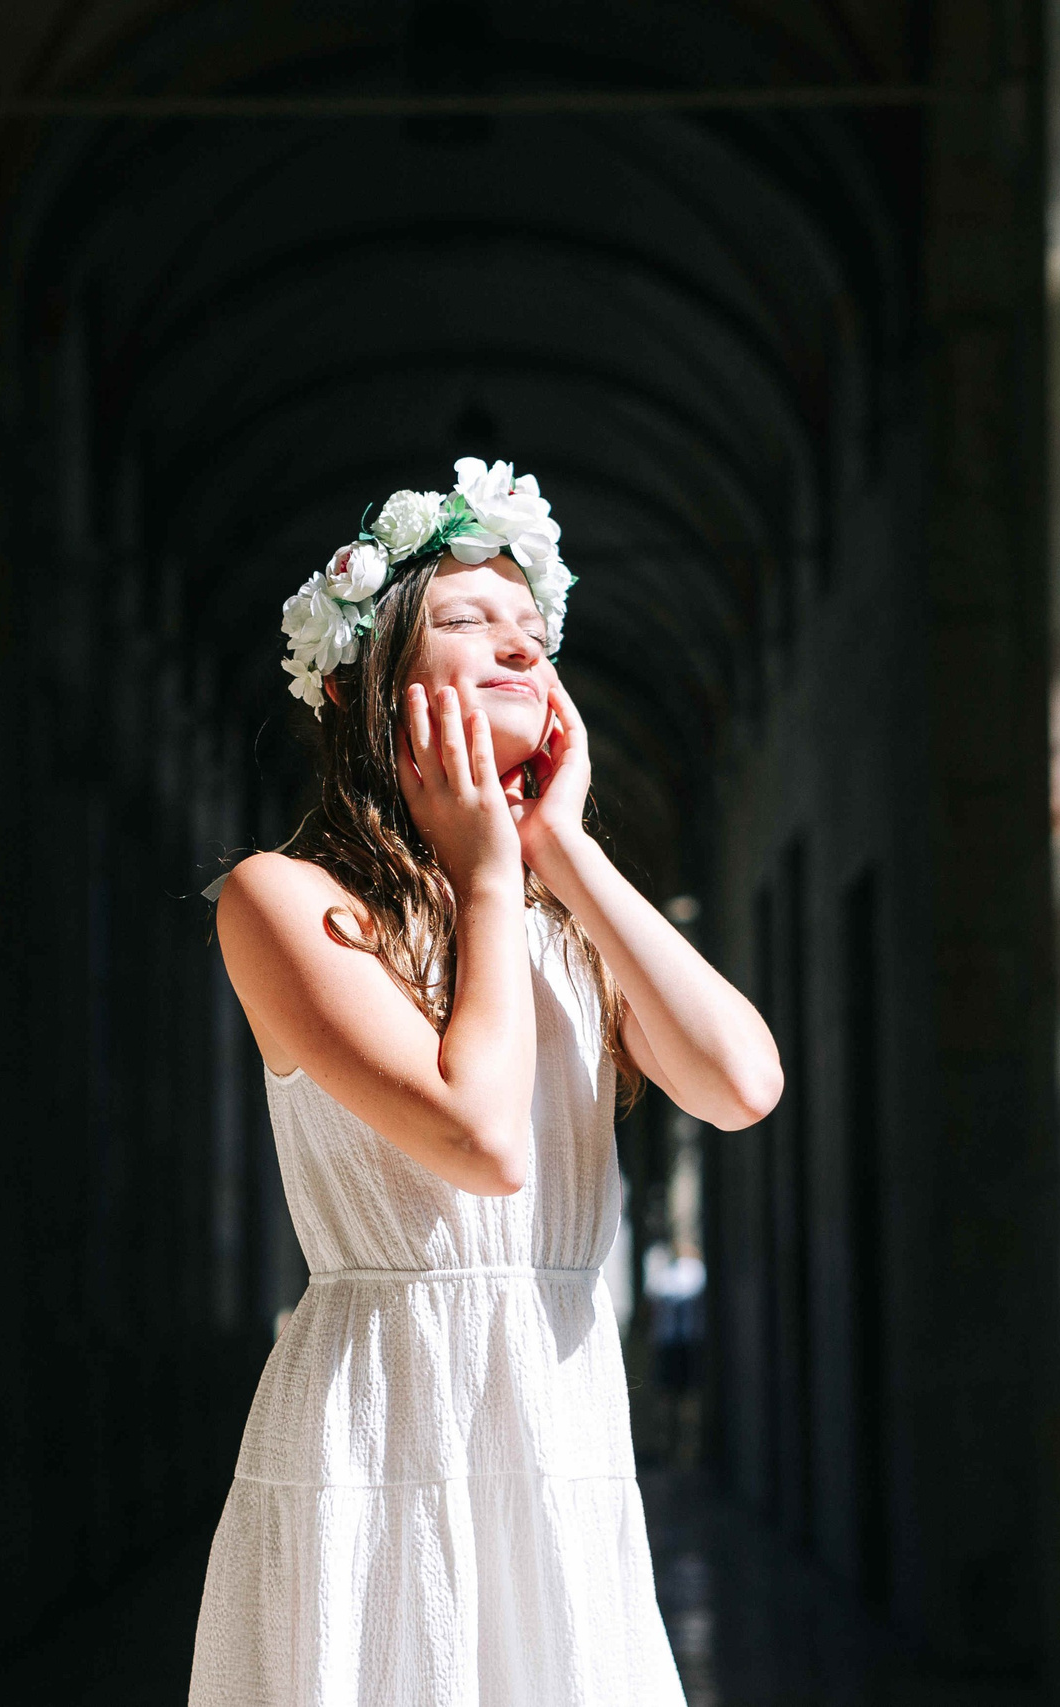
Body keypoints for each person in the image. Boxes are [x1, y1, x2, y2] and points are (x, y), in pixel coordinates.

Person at [191, 459, 782, 1706]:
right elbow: (482, 1139)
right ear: (362, 692)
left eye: (533, 630)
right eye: (467, 621)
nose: (519, 647)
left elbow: (739, 1084)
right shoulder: (281, 900)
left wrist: (559, 849)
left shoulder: (568, 925)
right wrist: (488, 881)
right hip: (383, 1423)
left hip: (557, 1409)